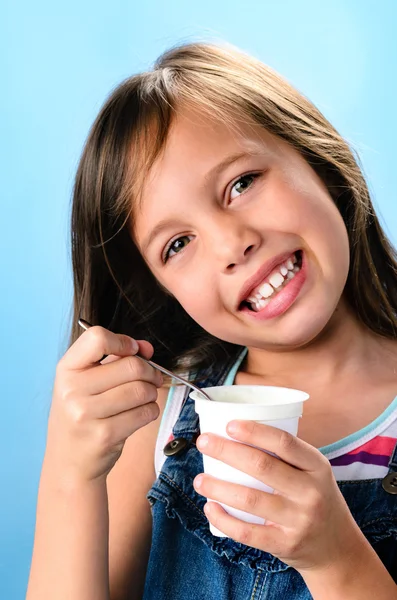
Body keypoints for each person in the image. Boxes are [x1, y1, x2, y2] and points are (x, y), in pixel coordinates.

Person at [26, 41, 397, 600]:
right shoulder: (159, 424)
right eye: (178, 244)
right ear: (164, 291)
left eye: (242, 183)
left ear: (317, 159)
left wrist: (338, 561)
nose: (232, 244)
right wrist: (70, 475)